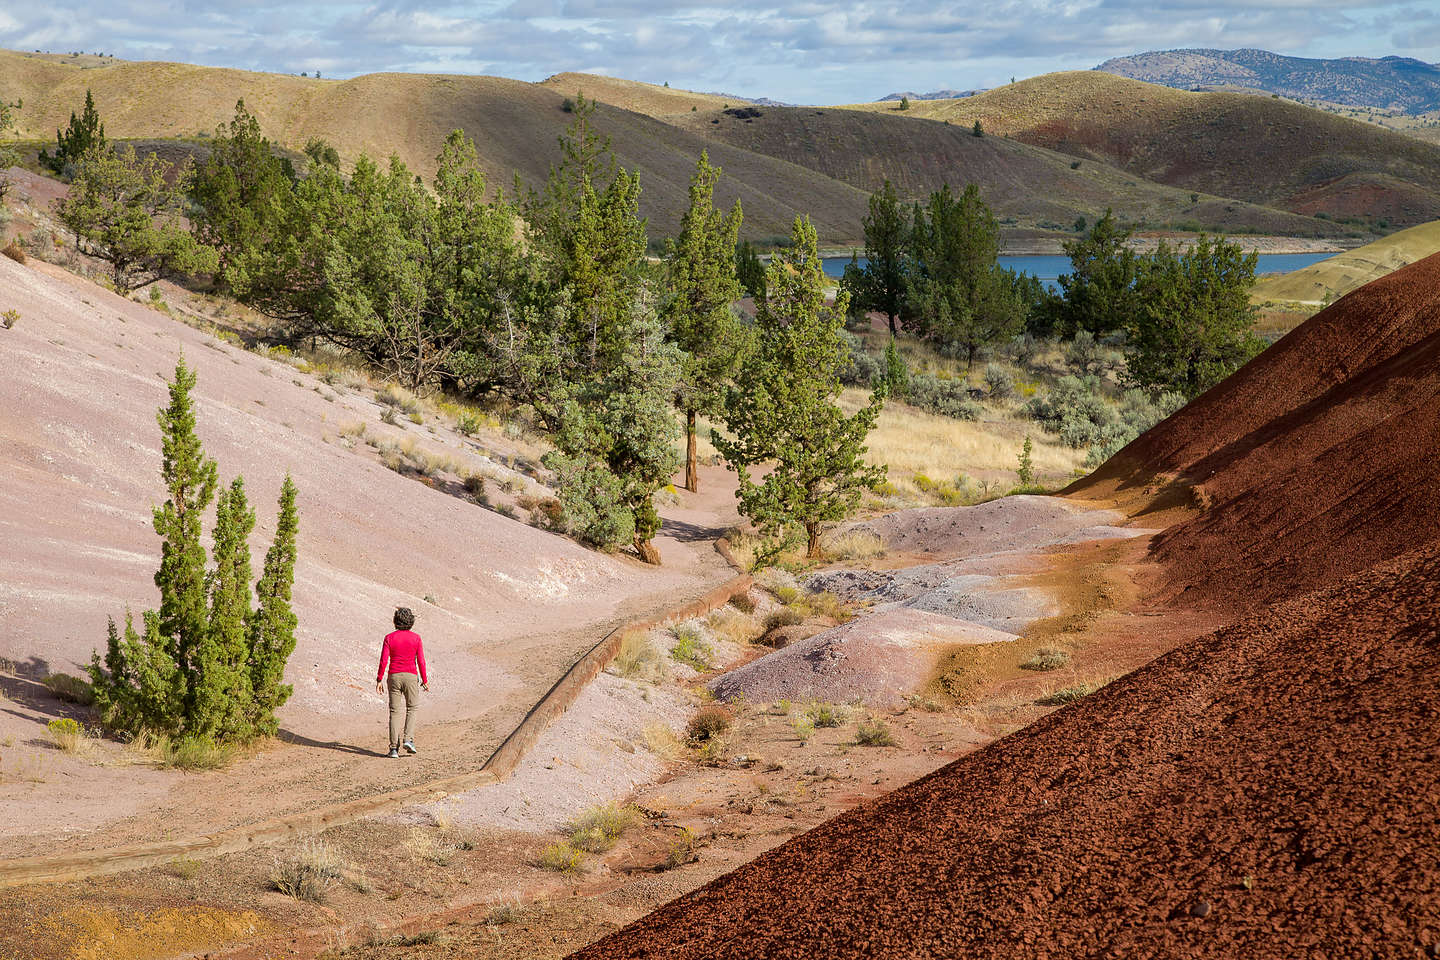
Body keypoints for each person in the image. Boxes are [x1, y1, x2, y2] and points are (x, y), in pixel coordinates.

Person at [376, 606, 429, 758]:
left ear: (395, 621)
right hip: (411, 676)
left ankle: (393, 748)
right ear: (411, 621)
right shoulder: (416, 638)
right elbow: (421, 661)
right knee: (412, 708)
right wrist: (425, 680)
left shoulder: (389, 638)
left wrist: (379, 679)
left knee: (394, 711)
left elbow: (383, 660)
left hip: (394, 676)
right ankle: (408, 739)